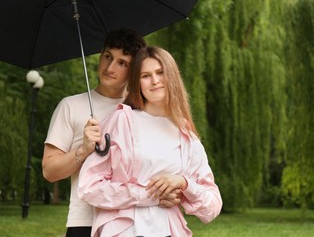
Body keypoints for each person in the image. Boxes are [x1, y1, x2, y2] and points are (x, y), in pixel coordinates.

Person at [42, 30, 180, 237]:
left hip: (134, 223)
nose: (110, 67)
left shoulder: (145, 111)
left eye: (122, 63)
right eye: (108, 57)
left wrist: (172, 191)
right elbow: (50, 172)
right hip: (85, 221)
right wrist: (83, 150)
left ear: (134, 70)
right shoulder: (71, 106)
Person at [78, 46, 223, 237]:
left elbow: (212, 206)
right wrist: (149, 196)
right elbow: (89, 187)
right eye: (145, 76)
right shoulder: (121, 121)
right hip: (125, 231)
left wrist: (184, 183)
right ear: (137, 82)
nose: (155, 81)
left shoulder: (185, 133)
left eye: (160, 73)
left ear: (172, 76)